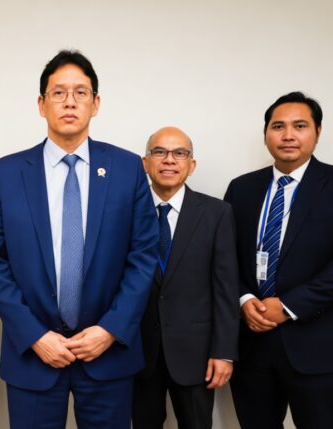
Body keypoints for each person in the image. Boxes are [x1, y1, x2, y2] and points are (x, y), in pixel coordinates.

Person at [0, 50, 158, 428]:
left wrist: (110, 330)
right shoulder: (4, 174)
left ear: (96, 103)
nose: (70, 102)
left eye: (81, 92)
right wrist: (34, 335)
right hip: (33, 354)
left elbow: (143, 255)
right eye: (58, 93)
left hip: (107, 353)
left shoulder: (127, 169)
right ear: (41, 104)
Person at [224, 91, 333, 428]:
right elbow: (224, 257)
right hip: (252, 343)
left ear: (317, 132)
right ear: (266, 134)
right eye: (278, 126)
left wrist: (289, 306)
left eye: (300, 126)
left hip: (319, 347)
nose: (288, 135)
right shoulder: (241, 188)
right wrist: (244, 298)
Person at [131, 127, 239, 429]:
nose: (169, 160)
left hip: (197, 353)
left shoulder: (217, 213)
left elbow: (226, 288)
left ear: (191, 165)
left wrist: (224, 352)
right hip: (138, 350)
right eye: (159, 152)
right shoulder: (126, 211)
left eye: (180, 153)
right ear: (145, 163)